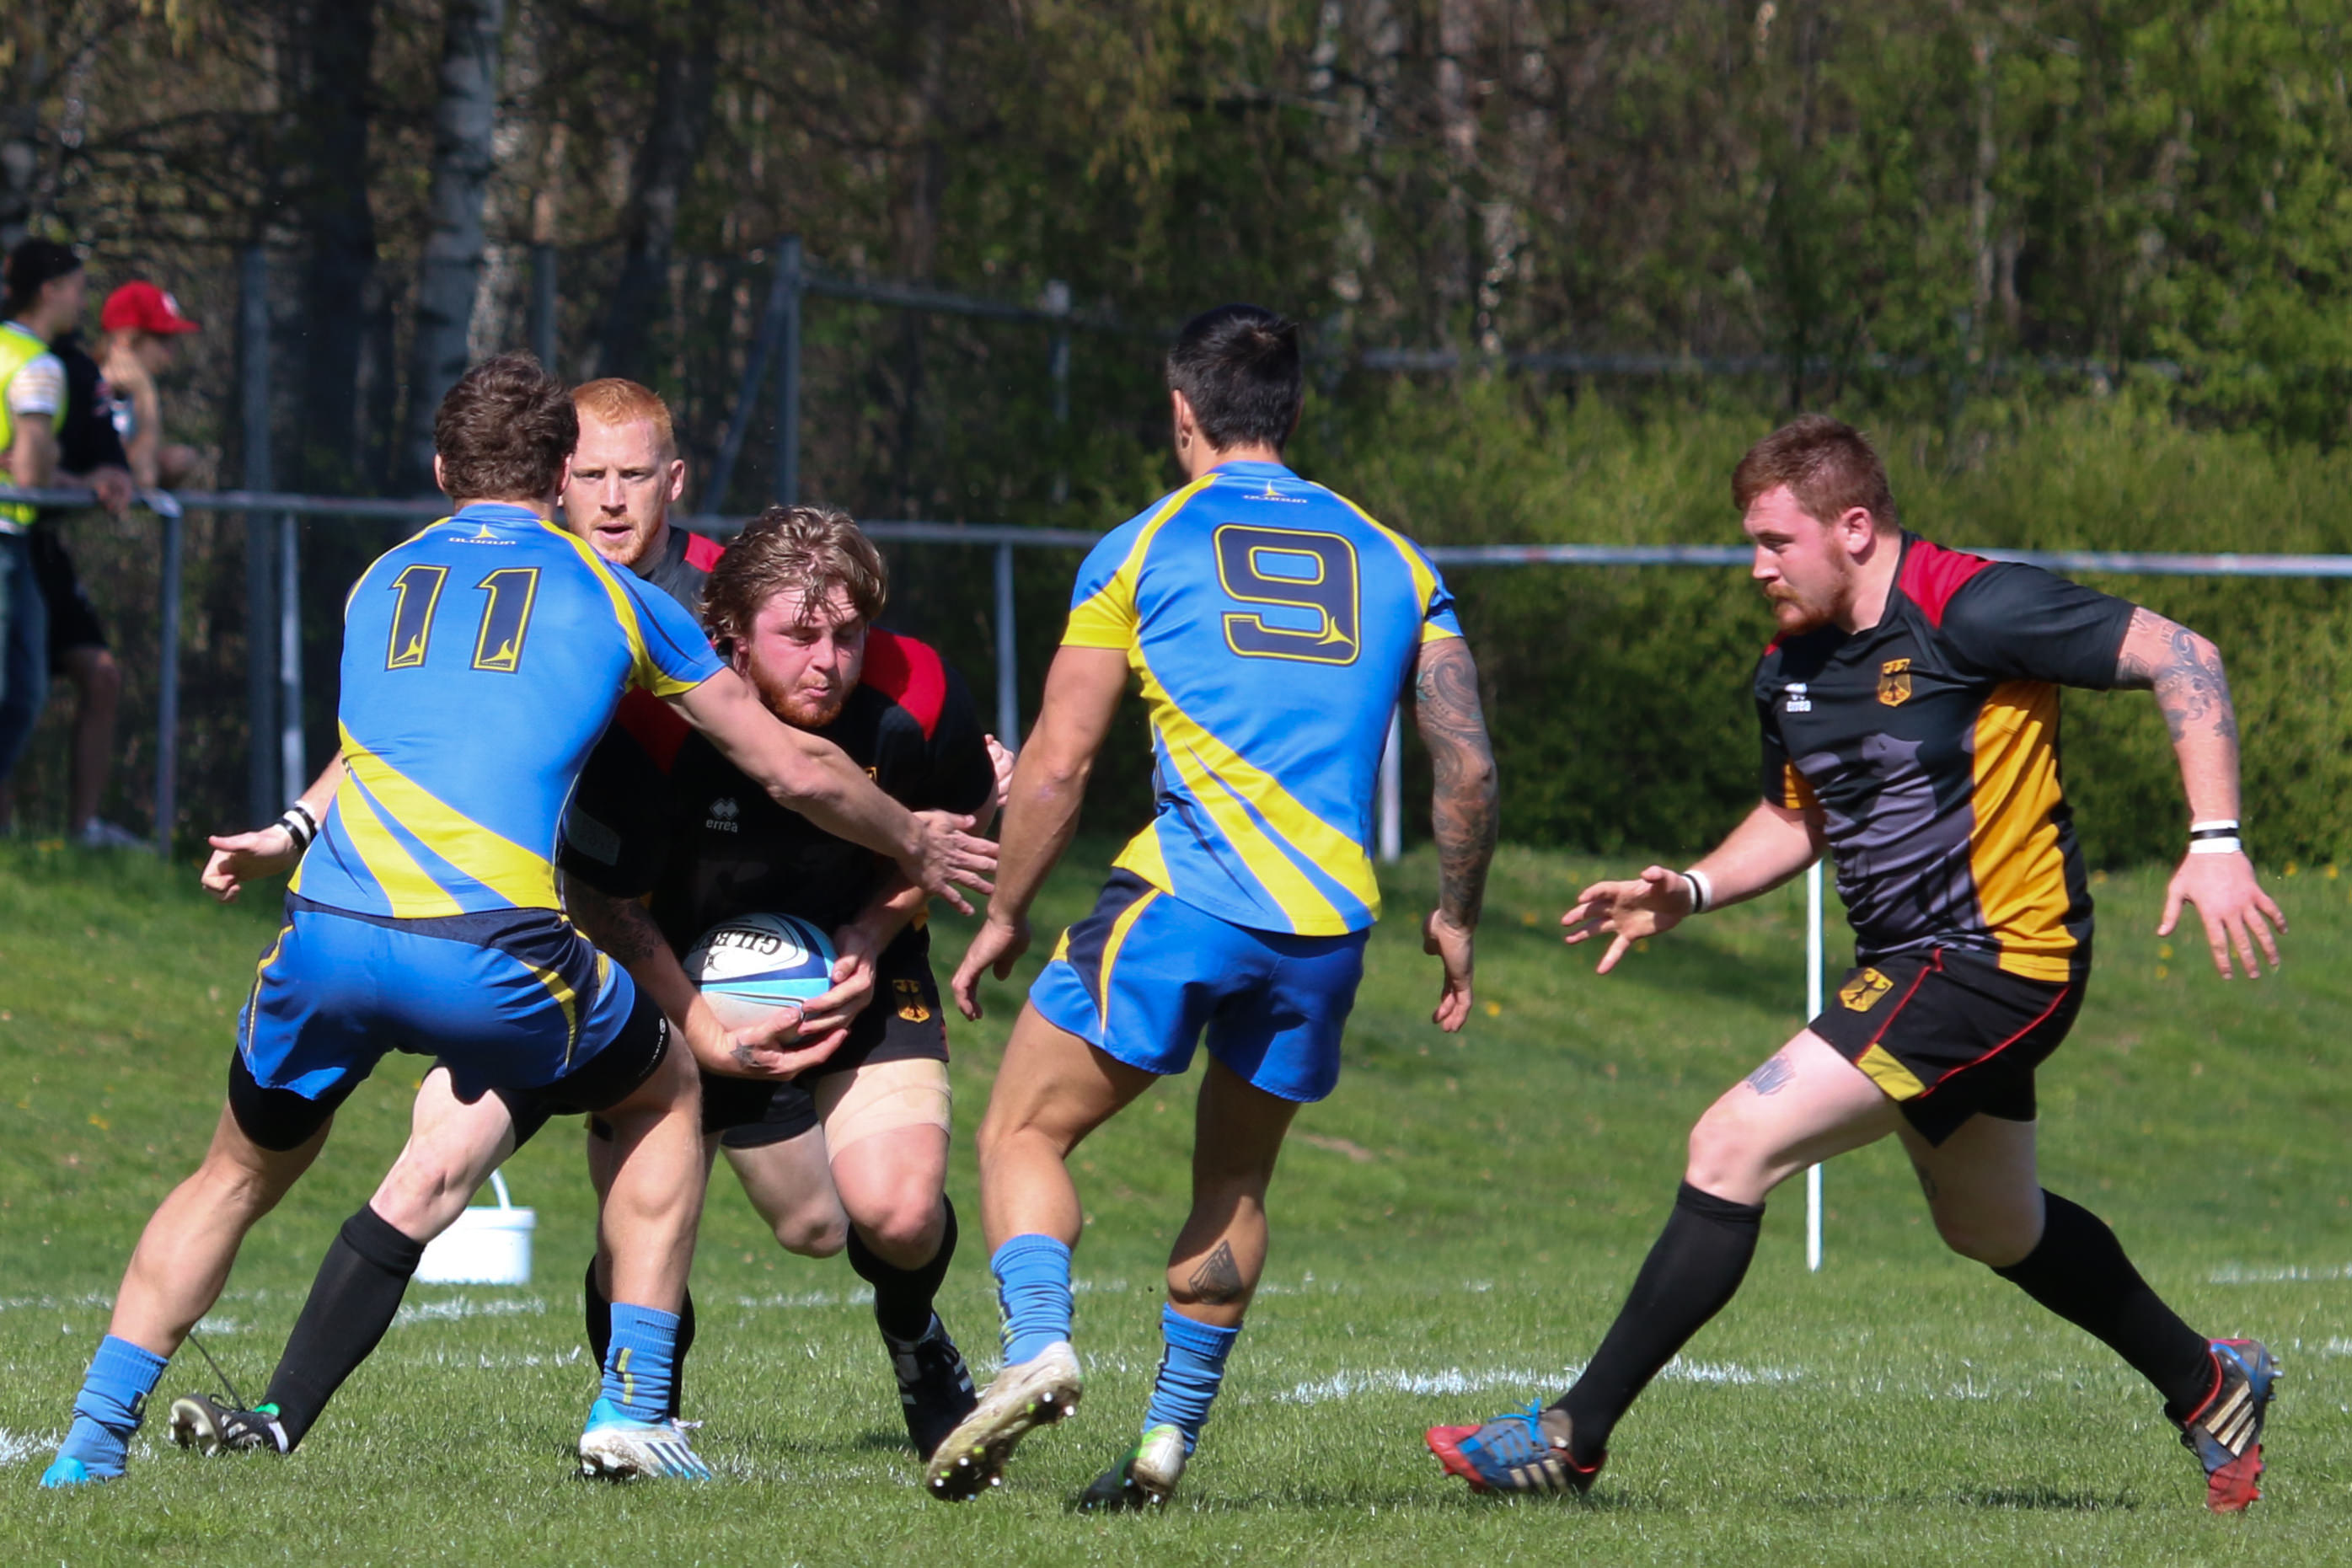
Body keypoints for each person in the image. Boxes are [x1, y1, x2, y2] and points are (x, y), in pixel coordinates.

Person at [39, 352, 994, 1488]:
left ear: (443, 469)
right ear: (555, 476)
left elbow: (392, 742)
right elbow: (793, 766)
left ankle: (90, 1443)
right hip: (493, 945)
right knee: (664, 1086)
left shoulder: (376, 581)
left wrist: (292, 828)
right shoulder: (620, 599)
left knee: (231, 1175)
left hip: (327, 930)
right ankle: (635, 1405)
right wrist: (913, 838)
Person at [1427, 414, 2285, 1514]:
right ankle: (2209, 1383)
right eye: (1750, 542)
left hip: (1997, 959)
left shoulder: (1973, 606)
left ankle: (1567, 1435)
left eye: (1774, 541)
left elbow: (2183, 654)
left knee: (1730, 1141)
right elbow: (1797, 819)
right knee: (1991, 1226)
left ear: (1853, 527)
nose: (1755, 567)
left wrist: (2214, 841)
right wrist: (1688, 887)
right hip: (1912, 966)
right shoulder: (1786, 668)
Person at [925, 303, 1499, 1508]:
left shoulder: (1141, 546)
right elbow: (1468, 766)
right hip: (1325, 932)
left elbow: (1057, 763)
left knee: (1021, 1132)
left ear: (1181, 412)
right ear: (1293, 411)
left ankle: (1037, 1345)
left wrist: (1005, 910)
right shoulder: (1396, 559)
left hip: (1183, 901)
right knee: (1232, 1185)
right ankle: (1160, 1449)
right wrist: (1454, 915)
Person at [0, 239, 87, 832]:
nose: (82, 302)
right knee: (20, 692)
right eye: (78, 288)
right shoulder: (37, 365)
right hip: (6, 539)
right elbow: (30, 474)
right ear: (50, 290)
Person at [95, 280, 202, 490]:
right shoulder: (92, 387)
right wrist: (146, 394)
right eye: (162, 339)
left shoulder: (131, 391)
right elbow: (144, 477)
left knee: (180, 458)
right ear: (125, 339)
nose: (171, 351)